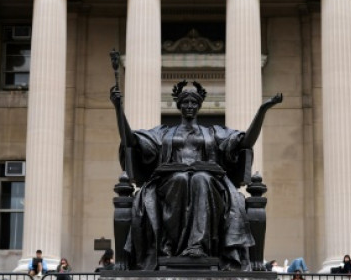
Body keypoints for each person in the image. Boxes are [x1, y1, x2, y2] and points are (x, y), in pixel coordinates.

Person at [110, 80, 282, 270]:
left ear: (199, 106)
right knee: (181, 179)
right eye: (185, 102)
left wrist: (262, 110)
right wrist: (118, 108)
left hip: (209, 182)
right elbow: (131, 141)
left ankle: (197, 246)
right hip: (169, 182)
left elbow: (245, 142)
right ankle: (171, 246)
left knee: (200, 178)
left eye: (193, 103)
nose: (189, 106)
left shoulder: (214, 133)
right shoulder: (164, 133)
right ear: (179, 105)